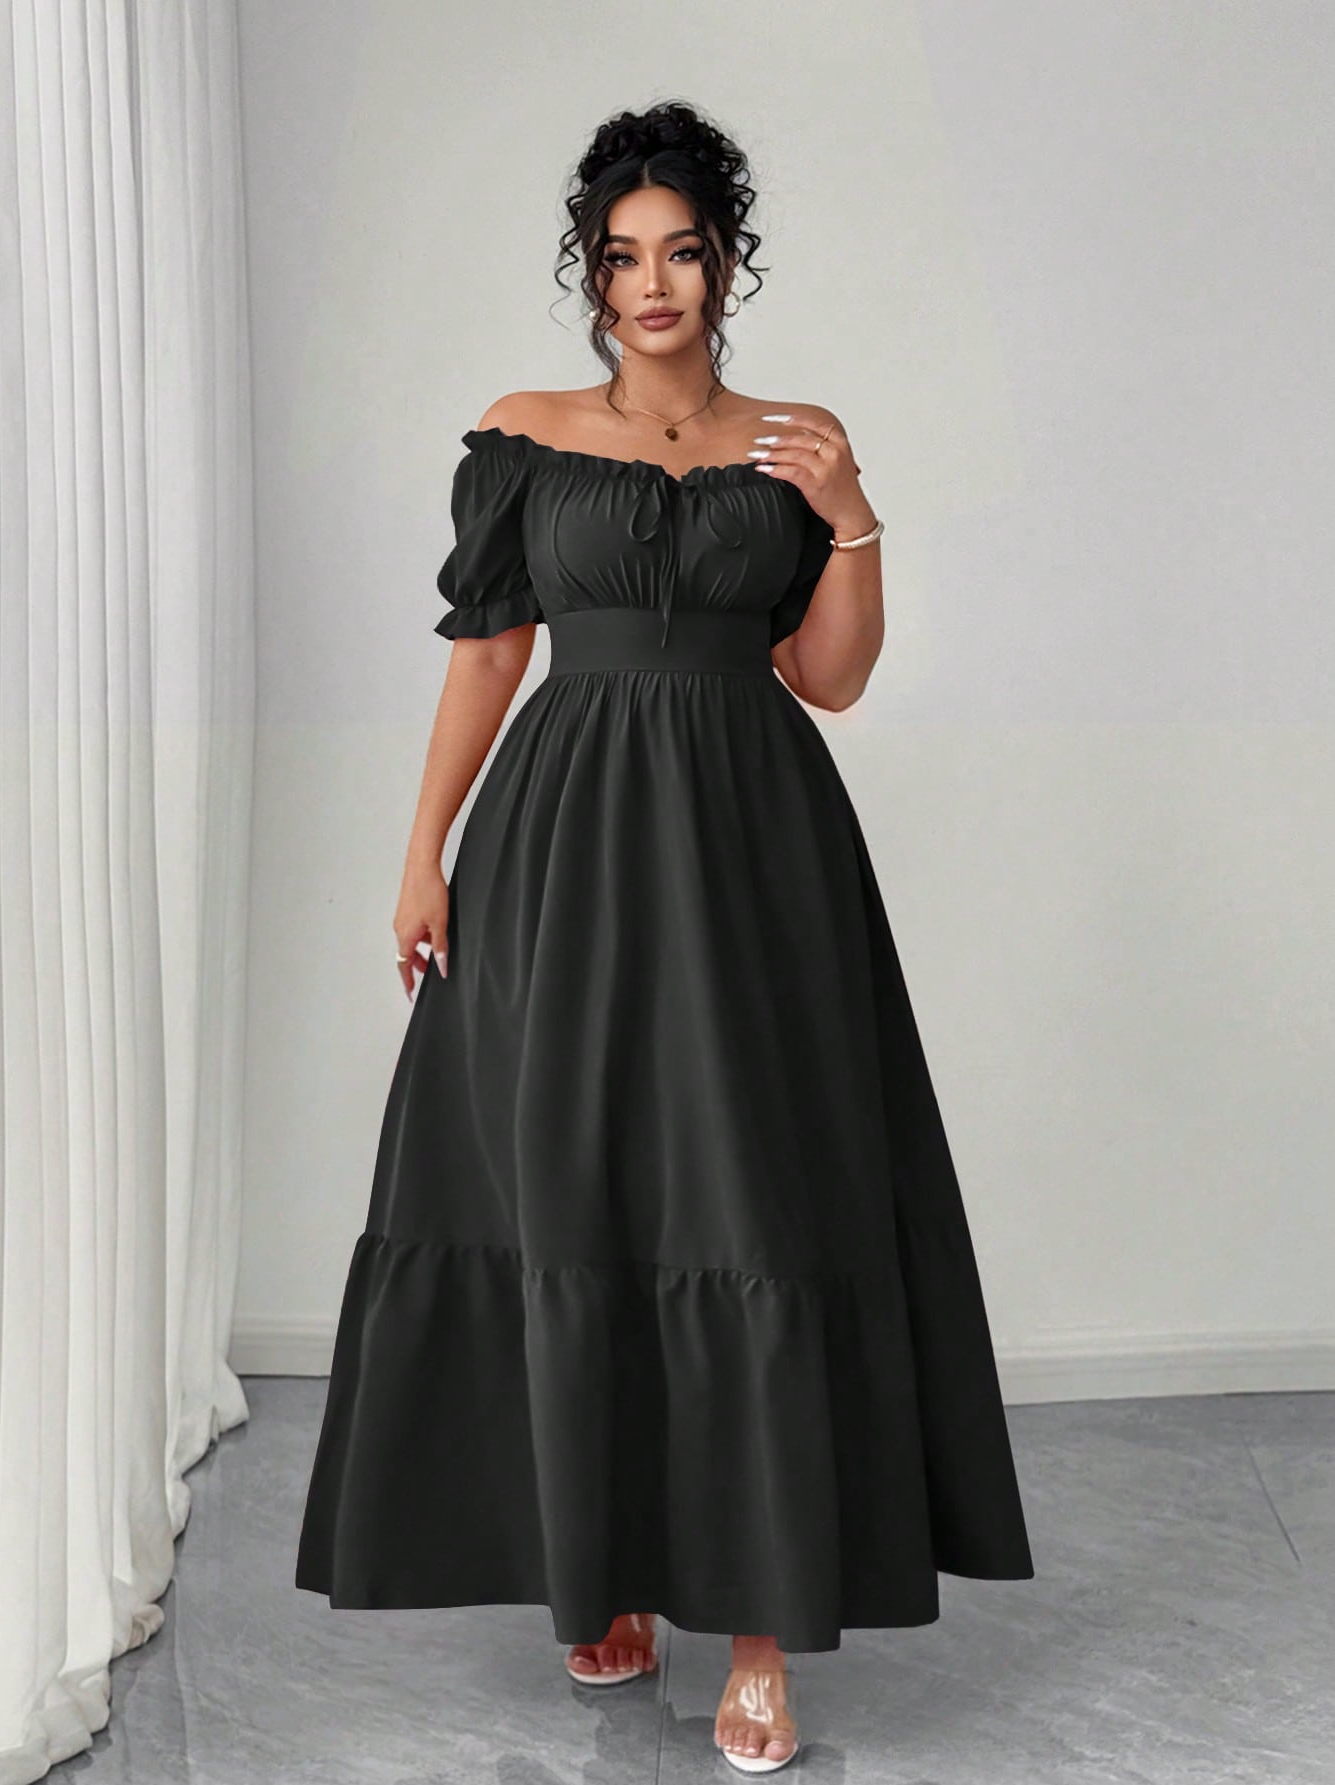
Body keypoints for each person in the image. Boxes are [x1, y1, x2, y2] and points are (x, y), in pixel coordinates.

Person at [295, 100, 1034, 1776]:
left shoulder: (795, 441)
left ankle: (761, 1632)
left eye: (681, 253)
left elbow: (829, 677)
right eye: (621, 257)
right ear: (592, 273)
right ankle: (606, 1568)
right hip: (560, 845)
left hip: (754, 854)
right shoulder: (525, 435)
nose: (652, 285)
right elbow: (490, 655)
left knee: (751, 1194)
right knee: (580, 1186)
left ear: (723, 263)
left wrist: (853, 514)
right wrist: (421, 853)